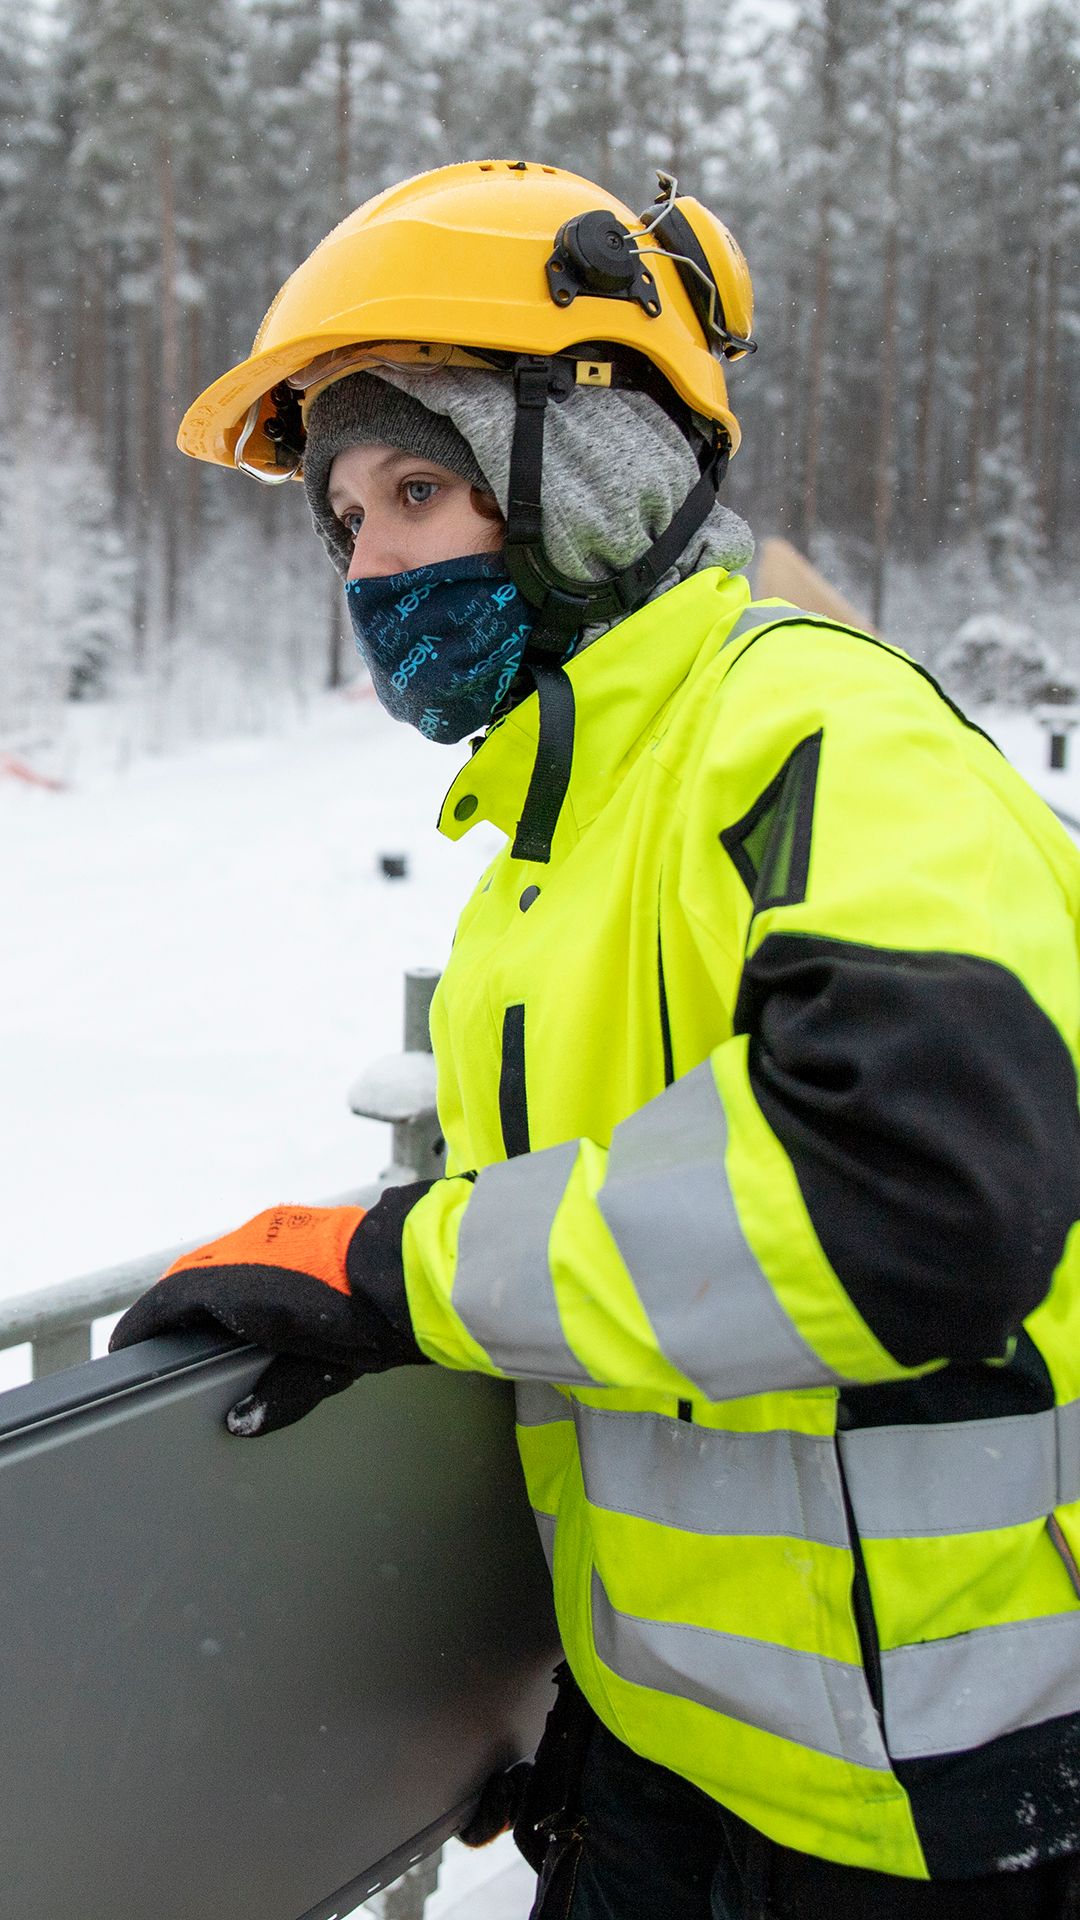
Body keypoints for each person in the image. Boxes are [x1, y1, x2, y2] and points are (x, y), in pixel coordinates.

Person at [111, 162, 1080, 1918]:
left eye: (421, 486)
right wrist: (594, 1692)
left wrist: (391, 1269)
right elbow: (631, 1316)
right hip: (672, 1772)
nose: (375, 558)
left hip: (956, 1808)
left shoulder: (821, 737)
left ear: (601, 475)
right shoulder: (541, 867)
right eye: (344, 521)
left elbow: (917, 1202)